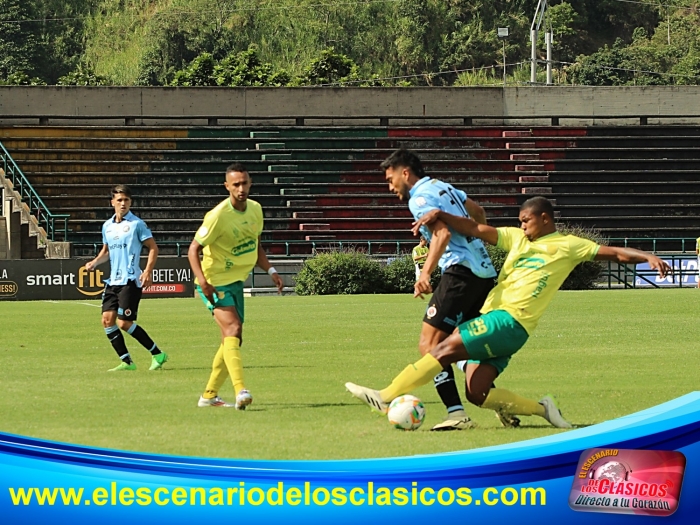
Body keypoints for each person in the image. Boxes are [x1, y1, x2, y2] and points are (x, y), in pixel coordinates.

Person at [346, 196, 671, 428]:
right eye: (520, 222)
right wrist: (441, 217)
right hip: (506, 327)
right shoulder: (516, 238)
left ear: (545, 219)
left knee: (443, 347)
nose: (522, 226)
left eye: (526, 221)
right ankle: (542, 409)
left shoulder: (569, 245)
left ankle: (385, 395)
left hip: (509, 320)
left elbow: (614, 254)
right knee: (478, 393)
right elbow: (474, 229)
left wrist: (647, 256)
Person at [378, 149, 500, 431]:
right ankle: (499, 402)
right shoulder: (444, 187)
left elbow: (443, 234)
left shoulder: (419, 198)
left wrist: (426, 272)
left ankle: (456, 413)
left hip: (460, 273)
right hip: (482, 272)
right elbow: (478, 212)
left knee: (430, 344)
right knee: (462, 344)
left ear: (404, 173)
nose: (390, 186)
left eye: (390, 178)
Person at [188, 162, 284, 409]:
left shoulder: (255, 210)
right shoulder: (218, 215)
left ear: (250, 183)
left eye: (244, 183)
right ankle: (241, 390)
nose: (241, 188)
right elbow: (193, 249)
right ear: (227, 186)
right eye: (236, 184)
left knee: (232, 338)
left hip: (235, 283)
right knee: (233, 328)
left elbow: (255, 244)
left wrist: (271, 270)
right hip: (214, 282)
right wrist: (202, 281)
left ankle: (209, 396)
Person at [85, 185, 167, 372]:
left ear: (130, 202)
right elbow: (106, 252)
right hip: (113, 281)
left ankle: (157, 354)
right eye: (119, 200)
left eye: (126, 200)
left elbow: (153, 247)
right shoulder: (107, 226)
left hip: (130, 280)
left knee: (123, 322)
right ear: (112, 202)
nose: (123, 203)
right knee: (107, 320)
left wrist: (147, 271)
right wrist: (95, 262)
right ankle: (127, 362)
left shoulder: (137, 224)